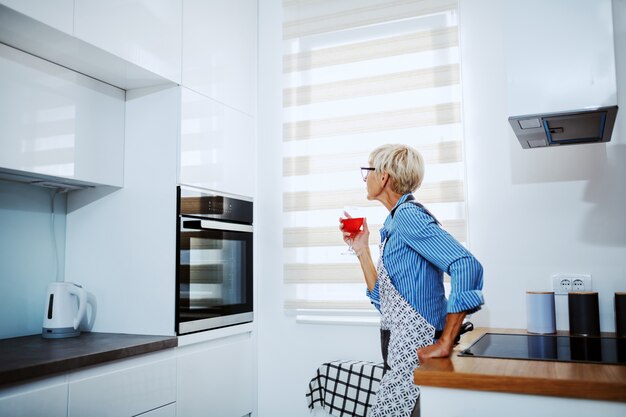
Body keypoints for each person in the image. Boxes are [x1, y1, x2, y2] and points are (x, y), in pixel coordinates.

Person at [340, 143, 484, 417]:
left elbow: (466, 264)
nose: (365, 178)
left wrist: (445, 341)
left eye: (367, 171)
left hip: (417, 347)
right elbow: (387, 301)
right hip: (398, 344)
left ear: (383, 177)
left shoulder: (407, 217)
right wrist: (362, 251)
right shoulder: (394, 223)